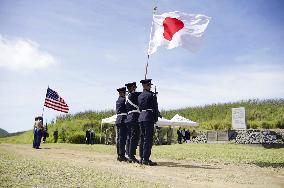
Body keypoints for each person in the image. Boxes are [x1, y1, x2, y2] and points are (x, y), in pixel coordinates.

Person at [138, 79, 159, 166]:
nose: (150, 86)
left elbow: (139, 108)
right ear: (147, 85)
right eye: (149, 85)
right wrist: (155, 118)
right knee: (148, 139)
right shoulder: (151, 95)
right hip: (148, 117)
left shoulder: (139, 96)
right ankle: (146, 159)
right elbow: (155, 108)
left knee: (142, 138)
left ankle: (142, 158)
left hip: (141, 117)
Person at [125, 82, 141, 163]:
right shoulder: (133, 95)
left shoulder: (127, 97)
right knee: (134, 137)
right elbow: (143, 94)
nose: (135, 89)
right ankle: (131, 156)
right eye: (134, 87)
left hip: (129, 118)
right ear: (133, 88)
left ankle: (128, 153)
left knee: (130, 137)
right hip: (134, 117)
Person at [115, 87, 128, 162]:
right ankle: (122, 155)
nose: (125, 94)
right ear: (122, 93)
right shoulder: (124, 100)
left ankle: (119, 154)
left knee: (119, 138)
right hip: (123, 119)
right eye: (125, 93)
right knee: (122, 139)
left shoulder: (117, 100)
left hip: (118, 119)